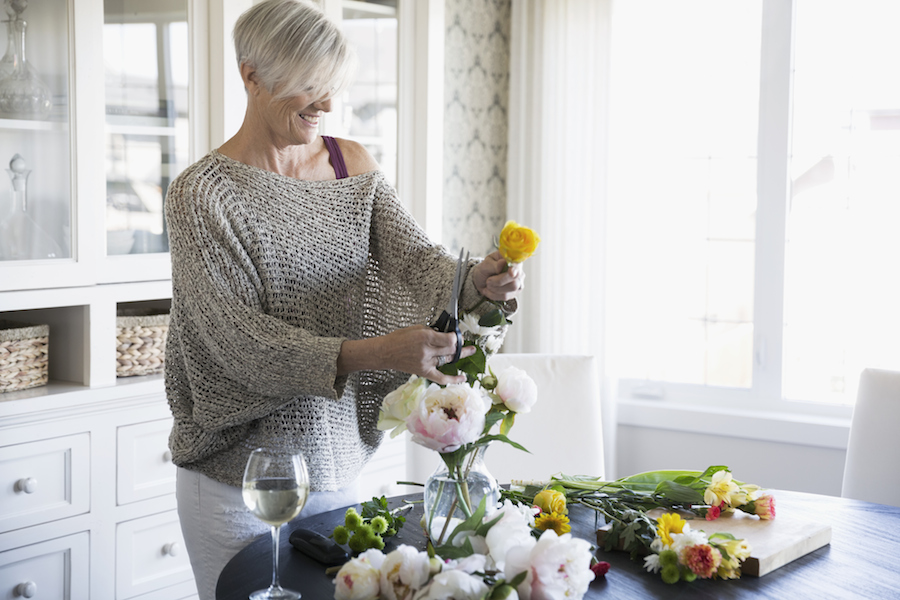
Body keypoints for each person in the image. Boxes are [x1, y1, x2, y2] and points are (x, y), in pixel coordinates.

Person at [163, 1, 525, 597]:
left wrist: (475, 281)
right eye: (309, 87)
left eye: (333, 89)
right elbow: (240, 346)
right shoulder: (202, 195)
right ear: (251, 74)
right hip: (236, 479)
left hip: (336, 465)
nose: (327, 106)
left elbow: (421, 265)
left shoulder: (348, 163)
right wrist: (381, 352)